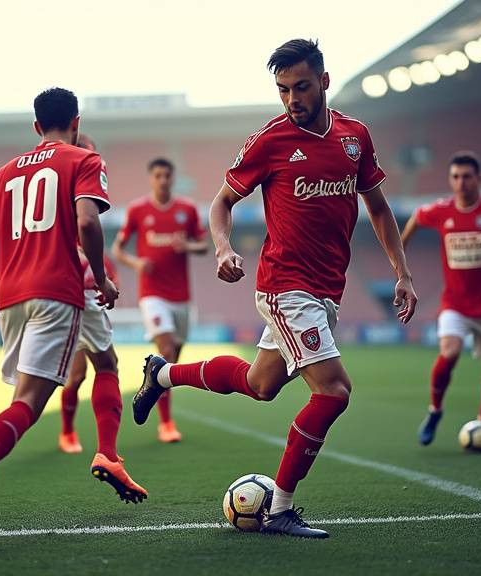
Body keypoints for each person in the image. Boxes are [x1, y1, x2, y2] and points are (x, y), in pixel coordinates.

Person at [132, 39, 417, 539]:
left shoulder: (355, 137)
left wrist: (404, 272)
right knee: (334, 393)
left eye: (301, 87)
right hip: (286, 285)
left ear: (325, 82)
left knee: (261, 385)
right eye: (282, 89)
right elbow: (220, 204)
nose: (291, 99)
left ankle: (163, 375)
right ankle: (280, 507)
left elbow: (377, 207)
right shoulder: (271, 140)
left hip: (327, 290)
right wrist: (222, 248)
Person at [0, 87, 144, 556]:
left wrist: (15, 243)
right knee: (31, 404)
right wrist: (104, 280)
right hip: (59, 289)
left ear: (35, 127)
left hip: (12, 298)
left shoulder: (5, 171)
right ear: (76, 121)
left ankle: (109, 455)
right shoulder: (84, 160)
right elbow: (89, 223)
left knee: (104, 361)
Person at [401, 151, 481, 446]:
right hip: (455, 304)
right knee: (449, 352)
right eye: (456, 177)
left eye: (467, 176)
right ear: (450, 180)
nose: (461, 182)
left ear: (479, 179)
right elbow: (415, 219)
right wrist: (400, 254)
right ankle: (435, 410)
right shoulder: (441, 210)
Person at [112, 157, 207, 443]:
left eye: (167, 175)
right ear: (151, 178)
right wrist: (137, 263)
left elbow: (203, 245)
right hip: (152, 295)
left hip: (181, 297)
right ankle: (166, 424)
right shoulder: (138, 210)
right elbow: (117, 249)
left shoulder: (187, 209)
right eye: (158, 176)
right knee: (164, 349)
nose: (163, 180)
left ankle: (153, 390)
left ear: (173, 178)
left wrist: (187, 245)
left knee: (172, 361)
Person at [57, 133, 122, 454]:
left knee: (70, 376)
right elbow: (86, 224)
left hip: (59, 295)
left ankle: (76, 437)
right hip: (69, 294)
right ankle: (97, 447)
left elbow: (108, 268)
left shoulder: (91, 235)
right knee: (91, 370)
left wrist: (108, 282)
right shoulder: (75, 207)